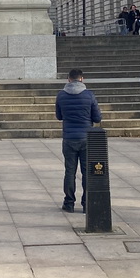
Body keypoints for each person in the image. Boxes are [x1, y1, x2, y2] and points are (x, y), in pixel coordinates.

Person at [55, 68, 102, 213]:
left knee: (70, 172)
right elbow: (97, 118)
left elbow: (59, 116)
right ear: (82, 79)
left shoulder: (61, 95)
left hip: (69, 138)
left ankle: (69, 203)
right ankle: (86, 204)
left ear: (68, 79)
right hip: (86, 138)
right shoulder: (89, 95)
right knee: (87, 171)